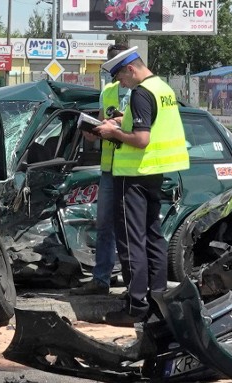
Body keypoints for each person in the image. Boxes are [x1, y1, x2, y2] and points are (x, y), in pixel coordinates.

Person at [92, 47, 190, 326]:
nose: (120, 83)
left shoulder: (141, 92)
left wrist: (113, 132)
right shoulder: (163, 88)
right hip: (153, 174)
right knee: (153, 237)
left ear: (131, 70)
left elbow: (142, 139)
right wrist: (123, 120)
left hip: (133, 175)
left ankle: (136, 306)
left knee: (131, 242)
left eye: (121, 77)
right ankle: (157, 301)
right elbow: (153, 125)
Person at [70, 44, 130, 296]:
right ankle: (101, 279)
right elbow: (100, 124)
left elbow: (144, 127)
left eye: (115, 67)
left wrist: (119, 122)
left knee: (130, 229)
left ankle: (134, 284)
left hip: (135, 171)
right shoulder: (108, 92)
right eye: (109, 67)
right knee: (104, 226)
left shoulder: (144, 91)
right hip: (109, 170)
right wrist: (90, 131)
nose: (112, 73)